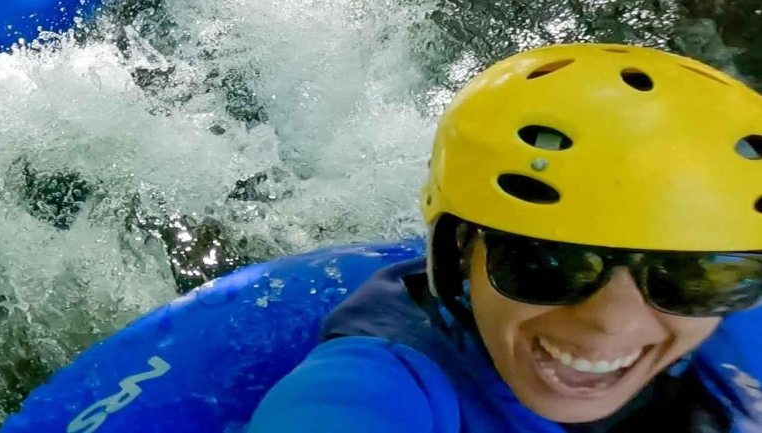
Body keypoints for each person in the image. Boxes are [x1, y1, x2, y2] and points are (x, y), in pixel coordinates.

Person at [248, 43, 762, 432]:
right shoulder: (370, 386)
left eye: (694, 276)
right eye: (549, 263)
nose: (611, 323)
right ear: (457, 252)